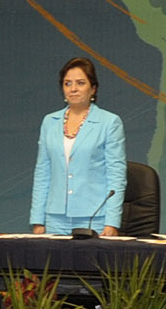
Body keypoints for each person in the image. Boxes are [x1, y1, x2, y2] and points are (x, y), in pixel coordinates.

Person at [28, 56, 125, 235]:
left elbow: (116, 176)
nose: (73, 89)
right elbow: (42, 173)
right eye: (67, 83)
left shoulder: (109, 122)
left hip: (94, 218)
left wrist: (112, 223)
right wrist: (37, 220)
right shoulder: (49, 122)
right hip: (54, 218)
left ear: (93, 89)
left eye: (80, 83)